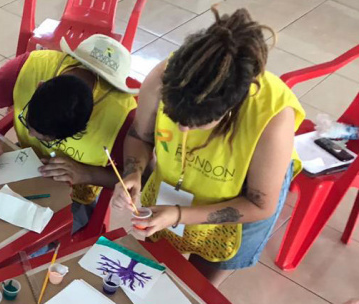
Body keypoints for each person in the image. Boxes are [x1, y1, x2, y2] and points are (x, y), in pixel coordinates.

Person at [111, 8, 305, 286]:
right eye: (175, 117)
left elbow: (259, 205)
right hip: (177, 187)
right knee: (154, 266)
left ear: (230, 108)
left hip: (240, 204)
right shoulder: (163, 78)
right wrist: (134, 171)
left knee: (197, 286)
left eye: (197, 123)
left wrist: (179, 214)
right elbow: (140, 136)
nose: (182, 131)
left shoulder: (273, 120)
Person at [0, 34, 138, 233]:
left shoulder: (121, 118)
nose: (30, 136)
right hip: (21, 170)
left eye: (45, 137)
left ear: (82, 128)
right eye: (28, 124)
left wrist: (86, 173)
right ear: (40, 87)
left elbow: (135, 177)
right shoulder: (31, 67)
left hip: (76, 194)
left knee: (30, 244)